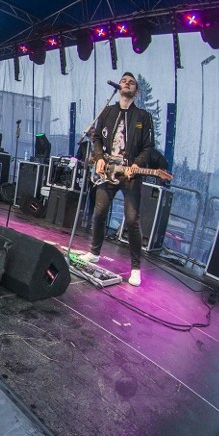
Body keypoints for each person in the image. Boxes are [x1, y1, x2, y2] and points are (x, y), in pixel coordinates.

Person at [79, 72, 154, 287]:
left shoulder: (143, 117)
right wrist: (100, 158)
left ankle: (136, 267)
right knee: (100, 212)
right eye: (124, 81)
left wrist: (137, 164)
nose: (127, 84)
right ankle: (94, 252)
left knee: (132, 220)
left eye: (131, 82)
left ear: (136, 91)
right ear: (119, 87)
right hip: (107, 171)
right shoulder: (108, 111)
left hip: (130, 173)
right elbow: (96, 138)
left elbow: (149, 147)